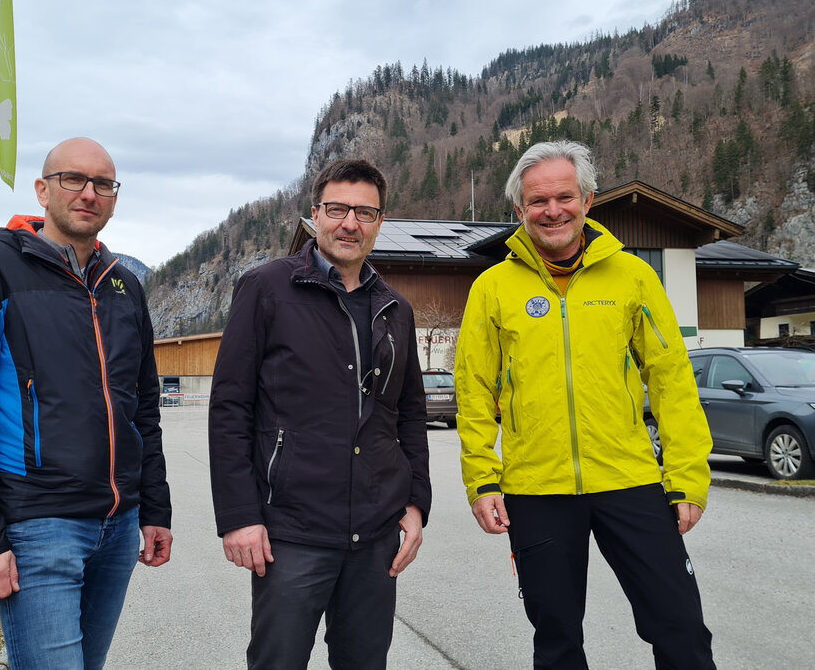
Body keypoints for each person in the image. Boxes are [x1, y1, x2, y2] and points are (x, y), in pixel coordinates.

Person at [454, 140, 715, 669]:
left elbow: (671, 381)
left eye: (564, 196)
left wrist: (687, 474)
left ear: (589, 200)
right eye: (538, 201)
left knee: (680, 625)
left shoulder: (635, 278)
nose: (553, 210)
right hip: (536, 489)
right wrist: (482, 479)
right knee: (556, 639)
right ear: (520, 209)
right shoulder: (492, 287)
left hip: (631, 480)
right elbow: (474, 391)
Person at [0, 137, 173, 670]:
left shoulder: (124, 285)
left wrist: (155, 509)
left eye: (103, 184)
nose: (89, 193)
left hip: (119, 525)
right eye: (72, 179)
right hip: (39, 524)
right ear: (43, 189)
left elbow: (142, 408)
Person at [208, 158, 432, 669]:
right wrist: (239, 516)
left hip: (376, 534)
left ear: (380, 222)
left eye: (365, 212)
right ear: (315, 214)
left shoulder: (394, 307)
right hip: (291, 530)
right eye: (337, 209)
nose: (349, 223)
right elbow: (229, 408)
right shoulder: (267, 288)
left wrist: (416, 502)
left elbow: (410, 415)